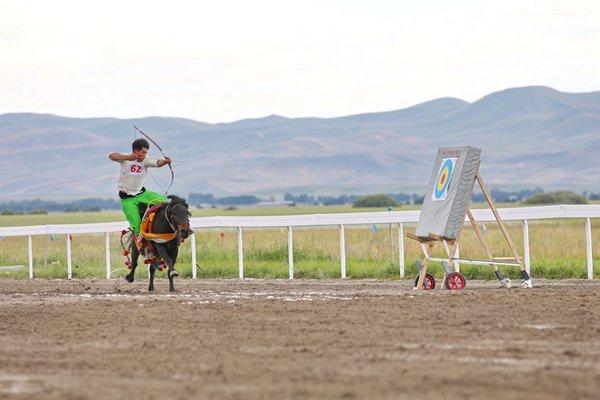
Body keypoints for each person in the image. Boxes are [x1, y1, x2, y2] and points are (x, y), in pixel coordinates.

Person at [109, 138, 172, 236]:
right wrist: (127, 157)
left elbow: (157, 163)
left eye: (146, 152)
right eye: (143, 152)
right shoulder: (125, 159)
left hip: (142, 194)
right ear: (135, 151)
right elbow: (111, 156)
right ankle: (140, 245)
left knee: (166, 203)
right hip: (128, 199)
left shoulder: (146, 159)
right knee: (137, 227)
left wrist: (164, 162)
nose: (145, 154)